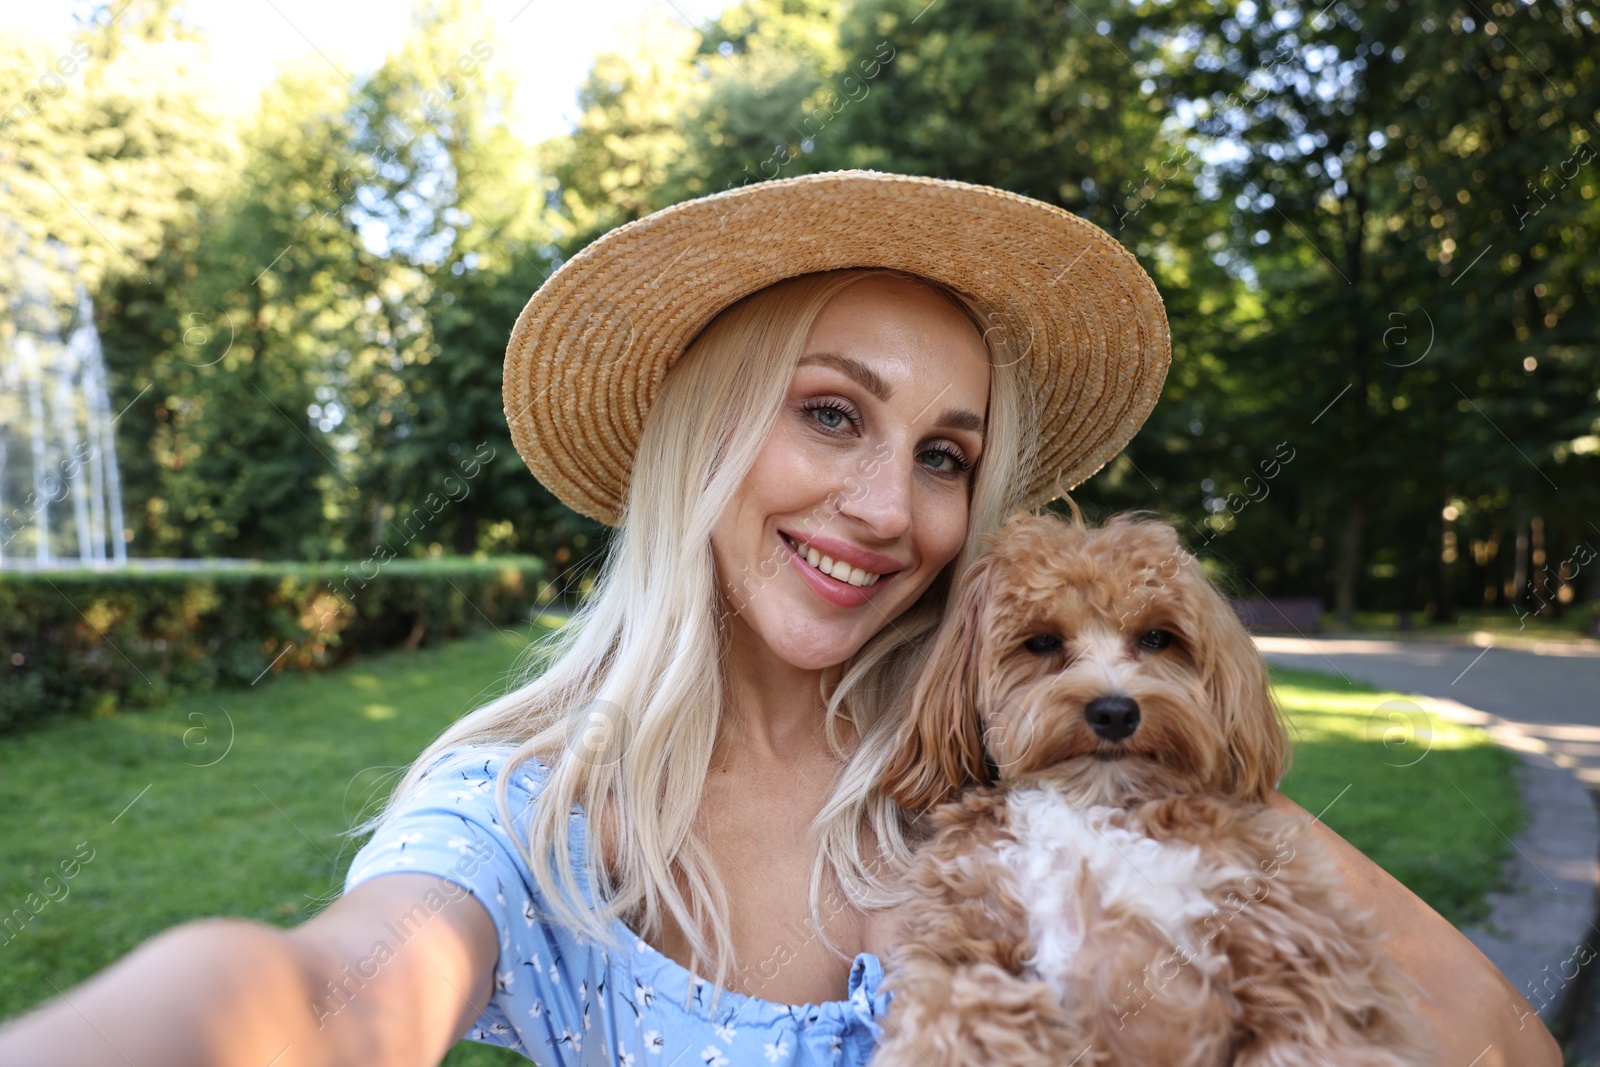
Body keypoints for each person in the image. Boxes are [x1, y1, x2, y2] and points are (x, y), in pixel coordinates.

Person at [0, 170, 1558, 1066]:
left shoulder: (1047, 755)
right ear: (706, 434)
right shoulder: (534, 818)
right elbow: (337, 992)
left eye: (944, 456)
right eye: (830, 415)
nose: (890, 508)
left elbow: (1492, 1030)